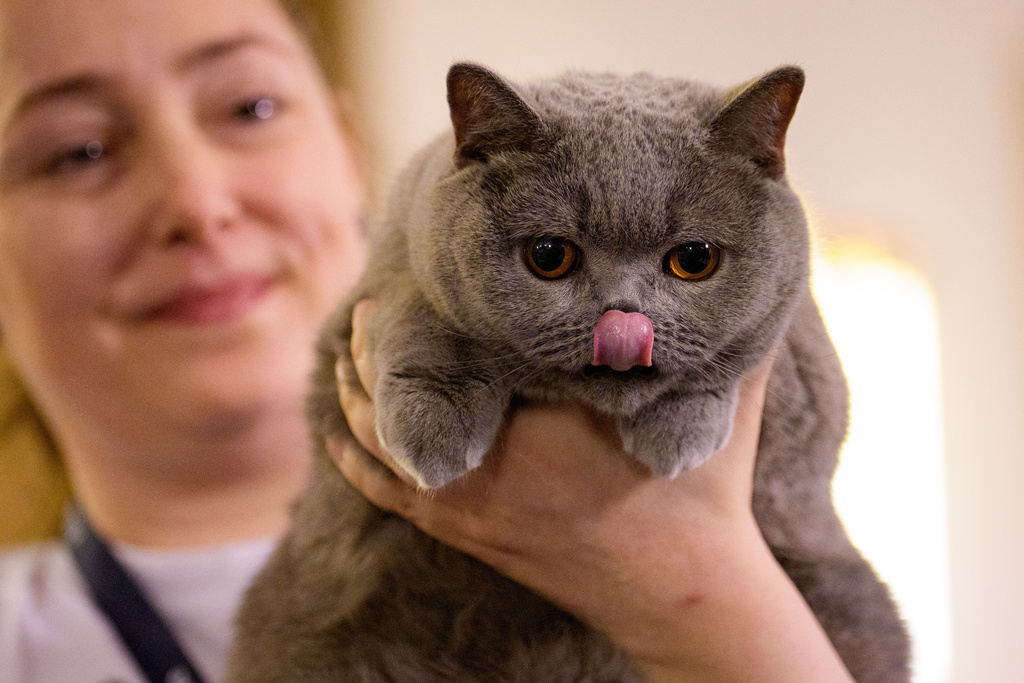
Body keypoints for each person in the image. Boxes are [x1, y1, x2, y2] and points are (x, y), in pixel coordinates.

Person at [0, 0, 854, 681]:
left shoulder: (783, 548)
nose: (196, 200)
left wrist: (710, 613)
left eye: (249, 106)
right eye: (76, 151)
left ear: (347, 141)